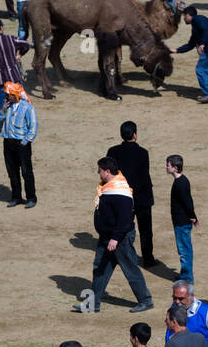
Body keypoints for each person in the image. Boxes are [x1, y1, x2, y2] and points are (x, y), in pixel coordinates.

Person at [75, 156, 153, 313]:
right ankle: (92, 304)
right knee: (100, 269)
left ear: (107, 171)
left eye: (100, 170)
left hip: (118, 238)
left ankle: (145, 300)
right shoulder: (110, 187)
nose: (98, 173)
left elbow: (124, 220)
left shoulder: (119, 192)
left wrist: (115, 239)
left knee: (130, 268)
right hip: (108, 237)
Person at [108, 121, 155, 264]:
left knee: (121, 226)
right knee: (145, 229)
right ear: (135, 135)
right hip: (141, 197)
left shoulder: (113, 152)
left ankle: (118, 254)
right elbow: (143, 176)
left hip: (121, 196)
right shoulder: (142, 153)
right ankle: (148, 258)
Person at [175, 6, 208, 104]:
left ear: (188, 15)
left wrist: (202, 43)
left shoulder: (199, 19)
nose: (184, 19)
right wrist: (176, 50)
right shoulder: (196, 28)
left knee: (201, 69)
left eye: (184, 16)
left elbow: (206, 30)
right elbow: (190, 45)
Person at [0, 83, 38, 208]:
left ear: (14, 95)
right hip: (8, 143)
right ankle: (16, 197)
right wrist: (3, 110)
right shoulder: (8, 106)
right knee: (12, 172)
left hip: (21, 145)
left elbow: (33, 127)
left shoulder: (27, 107)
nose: (5, 96)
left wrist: (25, 141)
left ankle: (31, 198)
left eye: (8, 95)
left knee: (26, 172)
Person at [167, 154, 197, 280]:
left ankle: (186, 278)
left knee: (184, 251)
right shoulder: (182, 180)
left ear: (174, 167)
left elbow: (187, 202)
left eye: (168, 165)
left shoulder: (180, 184)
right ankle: (186, 275)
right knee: (185, 249)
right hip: (181, 221)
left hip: (181, 222)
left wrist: (193, 216)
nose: (166, 167)